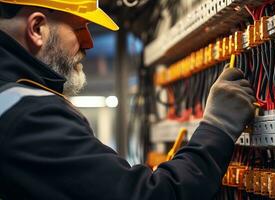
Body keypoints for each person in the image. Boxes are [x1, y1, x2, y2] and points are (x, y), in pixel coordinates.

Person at [0, 0, 256, 199]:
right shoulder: (27, 114)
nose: (88, 43)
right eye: (80, 27)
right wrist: (217, 128)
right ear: (36, 28)